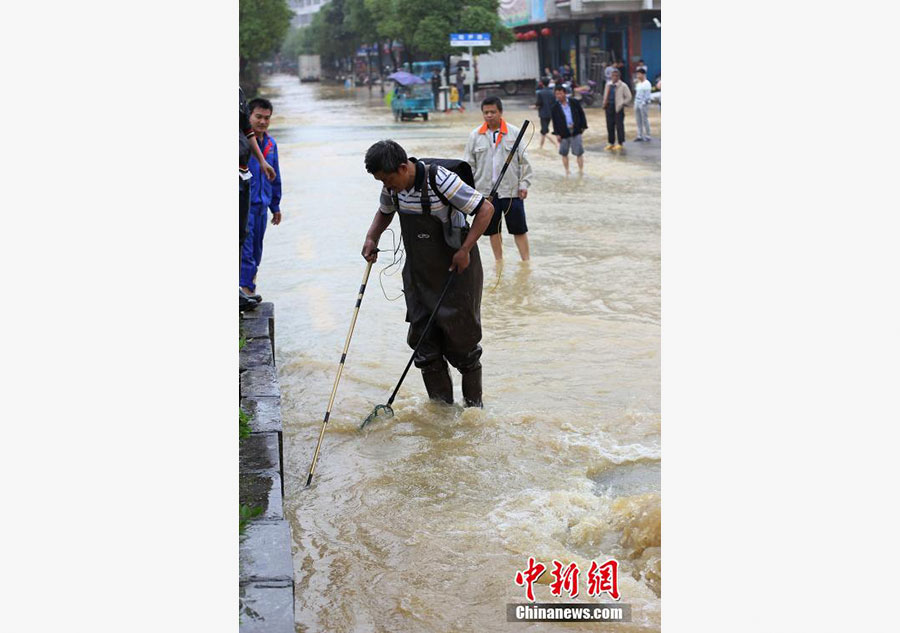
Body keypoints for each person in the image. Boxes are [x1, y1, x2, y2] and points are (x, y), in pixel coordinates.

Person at [362, 140, 494, 407]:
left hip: (457, 271)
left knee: (464, 347)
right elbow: (384, 212)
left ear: (402, 168)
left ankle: (473, 413)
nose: (386, 187)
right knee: (425, 347)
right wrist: (371, 237)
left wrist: (465, 249)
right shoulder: (392, 189)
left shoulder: (440, 180)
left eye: (388, 180)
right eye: (381, 182)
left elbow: (485, 209)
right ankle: (441, 418)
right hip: (418, 276)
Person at [463, 96, 533, 263]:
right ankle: (499, 263)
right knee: (493, 230)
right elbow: (468, 165)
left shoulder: (514, 133)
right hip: (486, 193)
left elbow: (525, 161)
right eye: (486, 112)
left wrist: (524, 184)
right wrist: (470, 189)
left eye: (493, 112)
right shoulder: (475, 136)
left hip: (511, 191)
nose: (489, 115)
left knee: (519, 229)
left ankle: (526, 262)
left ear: (500, 112)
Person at [241, 98, 282, 299]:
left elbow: (276, 177)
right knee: (245, 253)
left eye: (267, 118)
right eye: (258, 117)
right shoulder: (241, 143)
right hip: (244, 207)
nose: (263, 122)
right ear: (248, 117)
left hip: (262, 208)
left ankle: (249, 289)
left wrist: (275, 206)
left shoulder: (271, 144)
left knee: (256, 252)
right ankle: (246, 292)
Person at [550, 84, 588, 176]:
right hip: (563, 132)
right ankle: (567, 171)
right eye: (557, 94)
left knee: (579, 152)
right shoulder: (554, 107)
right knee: (564, 153)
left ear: (565, 93)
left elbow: (581, 114)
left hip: (576, 130)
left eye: (560, 93)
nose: (559, 96)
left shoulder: (574, 102)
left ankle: (581, 171)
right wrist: (557, 134)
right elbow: (554, 122)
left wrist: (583, 127)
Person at [601, 69, 632, 151]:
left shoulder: (623, 85)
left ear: (619, 76)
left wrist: (622, 103)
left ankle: (620, 143)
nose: (614, 77)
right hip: (609, 107)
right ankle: (611, 142)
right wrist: (604, 103)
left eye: (616, 76)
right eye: (613, 75)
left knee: (619, 126)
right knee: (609, 125)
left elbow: (629, 97)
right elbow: (605, 95)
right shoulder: (608, 84)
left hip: (618, 108)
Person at [533, 79, 558, 149]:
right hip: (551, 114)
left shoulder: (540, 93)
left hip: (543, 114)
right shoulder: (552, 92)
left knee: (544, 131)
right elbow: (554, 103)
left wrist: (534, 106)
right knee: (544, 130)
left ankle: (555, 143)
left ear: (542, 83)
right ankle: (541, 146)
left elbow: (539, 103)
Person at [632, 68, 652, 142]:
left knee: (644, 119)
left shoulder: (647, 83)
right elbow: (637, 93)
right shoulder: (638, 83)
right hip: (637, 101)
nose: (638, 75)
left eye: (639, 74)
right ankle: (639, 135)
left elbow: (647, 95)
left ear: (643, 74)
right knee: (638, 119)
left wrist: (644, 102)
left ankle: (648, 135)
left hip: (643, 103)